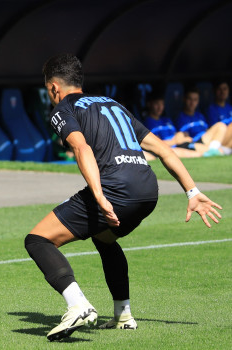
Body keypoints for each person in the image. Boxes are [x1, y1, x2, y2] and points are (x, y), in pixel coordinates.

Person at [24, 54, 222, 341]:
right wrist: (193, 191)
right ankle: (123, 315)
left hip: (116, 189)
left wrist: (99, 196)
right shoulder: (113, 104)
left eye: (48, 90)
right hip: (147, 190)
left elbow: (81, 148)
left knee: (38, 240)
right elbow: (164, 150)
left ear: (54, 88)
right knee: (104, 237)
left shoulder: (63, 109)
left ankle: (77, 304)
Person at [142, 92, 206, 158]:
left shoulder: (167, 120)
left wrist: (180, 136)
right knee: (198, 154)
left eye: (162, 104)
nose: (160, 107)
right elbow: (155, 144)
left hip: (180, 145)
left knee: (207, 149)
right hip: (167, 149)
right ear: (149, 104)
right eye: (156, 104)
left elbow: (177, 134)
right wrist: (175, 141)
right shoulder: (147, 123)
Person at [176, 87, 229, 157]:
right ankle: (214, 151)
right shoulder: (180, 117)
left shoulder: (200, 115)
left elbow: (206, 130)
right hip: (193, 143)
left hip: (204, 139)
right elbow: (181, 137)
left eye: (195, 100)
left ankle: (213, 150)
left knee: (221, 126)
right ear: (184, 99)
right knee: (221, 151)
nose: (192, 103)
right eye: (190, 99)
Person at [206, 81, 232, 155]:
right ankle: (221, 151)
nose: (222, 92)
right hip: (219, 139)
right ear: (215, 91)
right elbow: (215, 128)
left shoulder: (230, 107)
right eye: (219, 89)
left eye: (225, 89)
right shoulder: (211, 109)